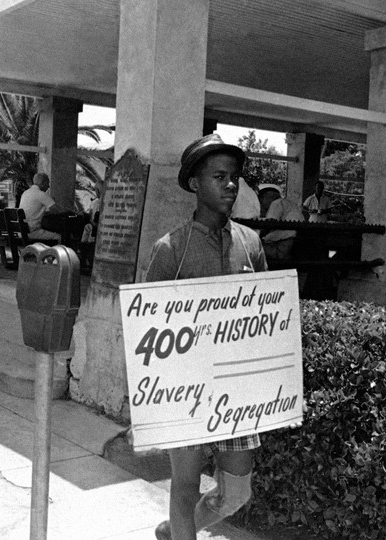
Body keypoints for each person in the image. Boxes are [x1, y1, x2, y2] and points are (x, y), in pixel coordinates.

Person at [142, 133, 266, 540]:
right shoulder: (170, 249)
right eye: (219, 176)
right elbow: (148, 328)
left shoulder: (251, 243)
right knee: (185, 485)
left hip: (237, 386)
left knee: (237, 491)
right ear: (195, 184)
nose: (231, 185)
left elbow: (266, 318)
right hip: (186, 388)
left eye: (234, 177)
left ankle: (177, 530)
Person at [18, 172, 69, 241]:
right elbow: (57, 210)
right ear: (43, 183)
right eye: (48, 183)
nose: (48, 187)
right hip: (32, 232)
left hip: (20, 231)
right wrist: (72, 211)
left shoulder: (26, 193)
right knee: (60, 237)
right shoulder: (41, 194)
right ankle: (51, 252)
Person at [262, 187, 304, 261]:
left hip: (286, 239)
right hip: (297, 238)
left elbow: (270, 223)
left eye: (262, 200)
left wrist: (259, 235)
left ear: (268, 197)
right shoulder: (289, 204)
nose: (261, 203)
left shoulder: (276, 203)